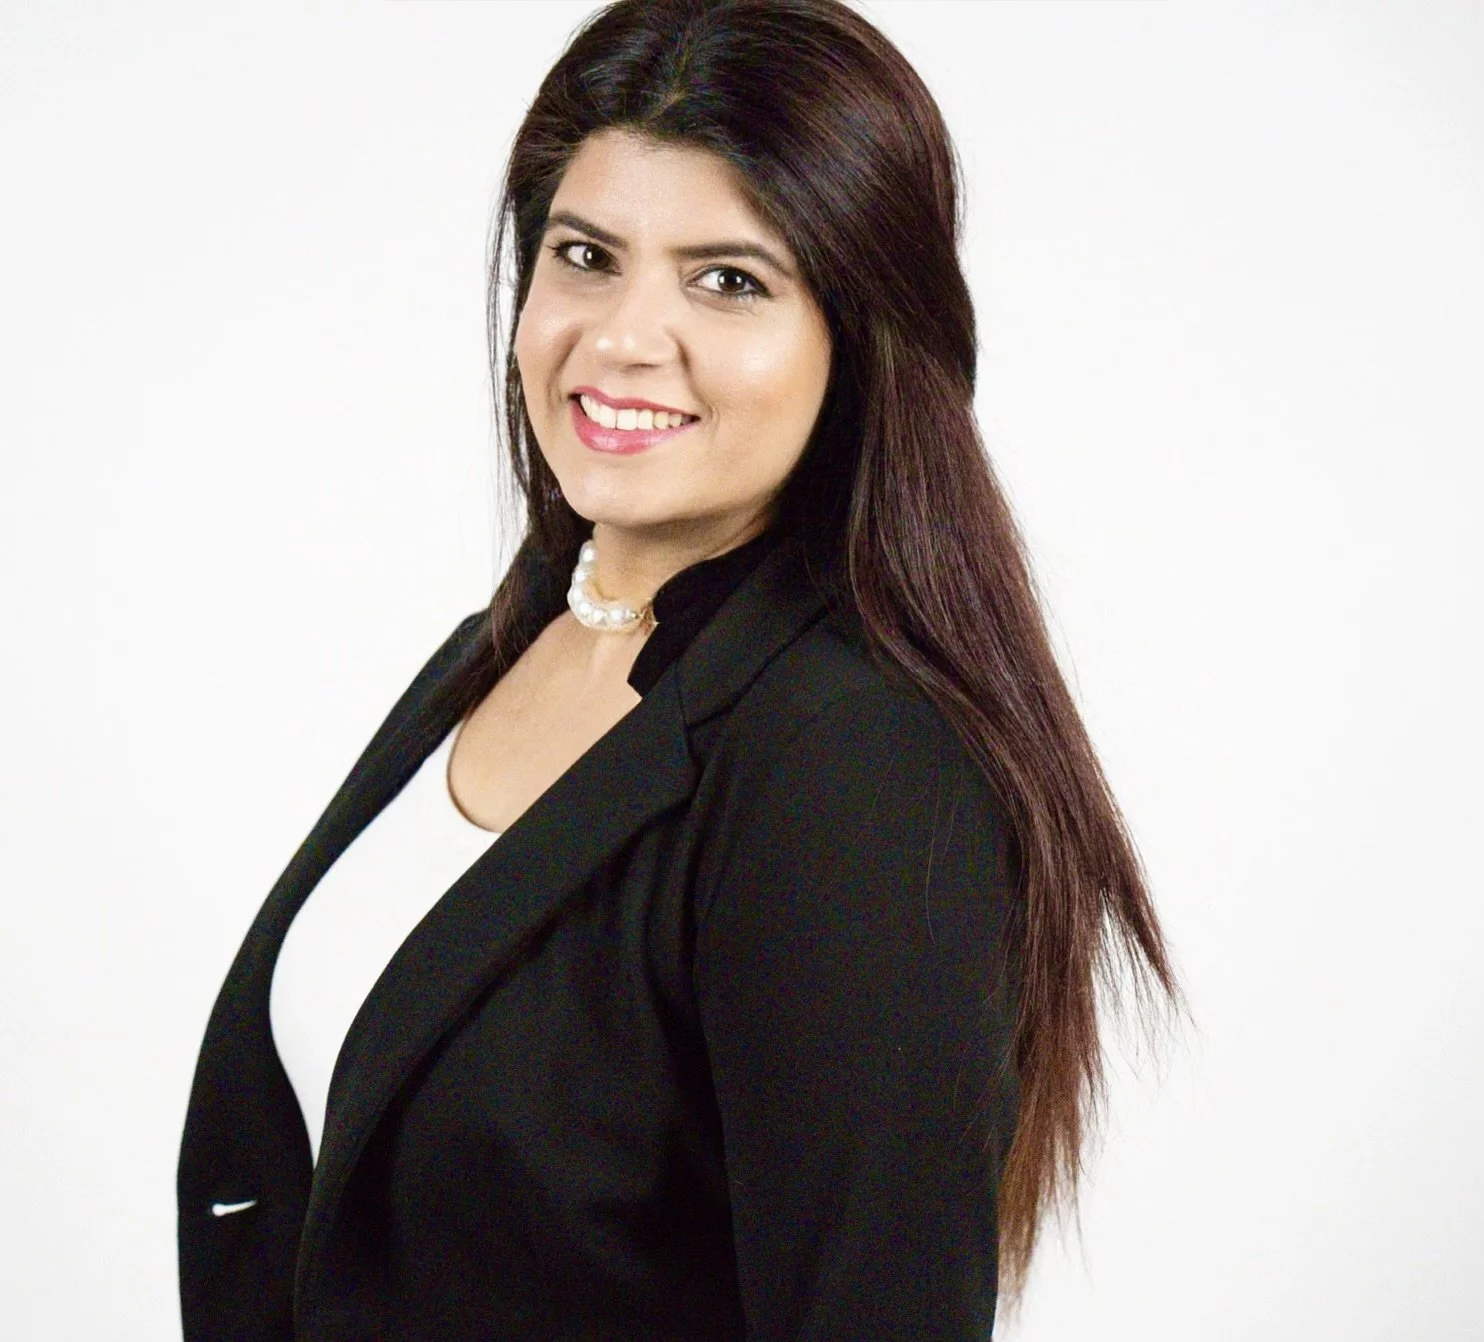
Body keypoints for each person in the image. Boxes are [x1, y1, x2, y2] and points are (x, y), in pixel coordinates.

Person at [177, 1, 1179, 1337]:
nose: (623, 338)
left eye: (730, 280)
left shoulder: (855, 759)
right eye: (587, 256)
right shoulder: (517, 634)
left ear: (862, 338)